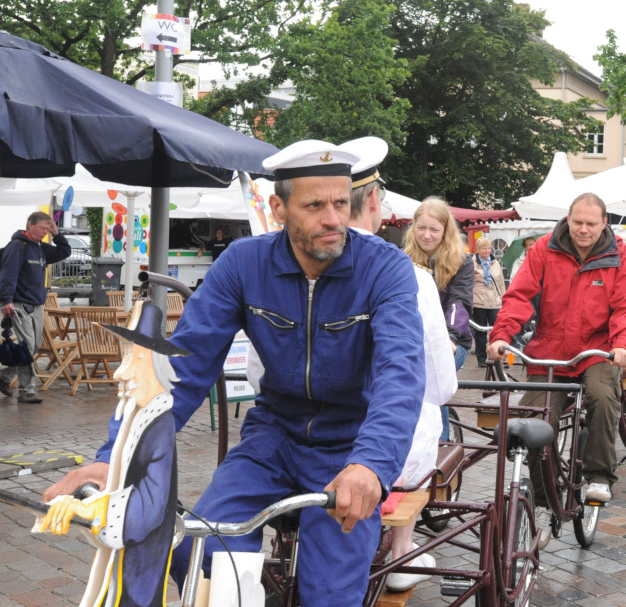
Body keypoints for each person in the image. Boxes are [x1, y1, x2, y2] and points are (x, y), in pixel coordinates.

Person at [44, 140, 426, 607]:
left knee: (329, 595)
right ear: (279, 208)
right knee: (195, 551)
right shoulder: (244, 264)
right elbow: (183, 368)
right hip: (272, 438)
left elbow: (400, 374)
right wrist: (117, 458)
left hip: (349, 444)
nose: (333, 219)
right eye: (314, 205)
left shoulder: (385, 270)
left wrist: (370, 464)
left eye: (341, 203)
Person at [487, 193, 626, 546]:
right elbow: (520, 295)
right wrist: (502, 335)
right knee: (534, 417)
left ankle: (599, 477)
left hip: (597, 350)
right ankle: (542, 501)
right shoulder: (545, 248)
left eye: (591, 223)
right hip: (550, 348)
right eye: (578, 222)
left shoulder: (621, 256)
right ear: (568, 219)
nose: (584, 229)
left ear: (605, 222)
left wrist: (623, 343)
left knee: (604, 396)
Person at [340, 137, 456, 592]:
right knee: (420, 414)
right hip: (388, 453)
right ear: (373, 200)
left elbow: (259, 376)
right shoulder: (413, 276)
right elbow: (440, 387)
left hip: (310, 441)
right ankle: (402, 546)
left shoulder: (291, 260)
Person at [37, 302, 190, 607]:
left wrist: (93, 509)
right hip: (126, 560)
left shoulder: (160, 425)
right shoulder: (138, 416)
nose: (122, 371)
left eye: (134, 358)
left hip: (141, 570)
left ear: (151, 362)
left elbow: (150, 504)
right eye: (125, 356)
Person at [404, 197, 473, 439]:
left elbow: (459, 303)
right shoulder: (403, 259)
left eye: (434, 229)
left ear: (445, 230)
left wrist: (451, 338)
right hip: (413, 341)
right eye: (421, 228)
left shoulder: (461, 261)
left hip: (452, 340)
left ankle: (439, 446)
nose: (427, 235)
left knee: (431, 380)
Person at [0, 212, 71, 404]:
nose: (45, 232)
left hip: (37, 305)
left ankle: (4, 375)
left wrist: (56, 233)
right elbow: (7, 274)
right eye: (42, 228)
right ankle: (26, 391)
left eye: (47, 229)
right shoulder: (18, 246)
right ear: (30, 225)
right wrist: (7, 300)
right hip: (20, 304)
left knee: (33, 347)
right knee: (27, 347)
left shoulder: (40, 247)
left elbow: (64, 252)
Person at [470, 237, 506, 368]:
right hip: (479, 301)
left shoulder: (495, 262)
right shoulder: (472, 263)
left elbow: (501, 282)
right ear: (478, 250)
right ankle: (481, 358)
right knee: (480, 332)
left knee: (497, 330)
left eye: (488, 248)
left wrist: (504, 298)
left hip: (495, 301)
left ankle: (498, 356)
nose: (487, 250)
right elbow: (469, 283)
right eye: (484, 248)